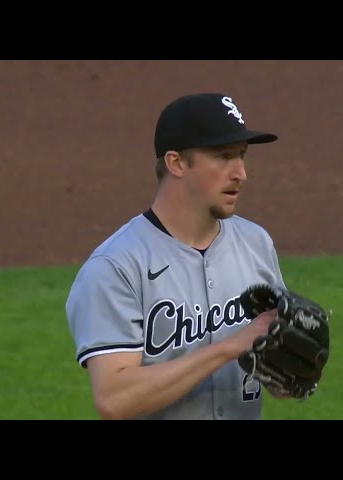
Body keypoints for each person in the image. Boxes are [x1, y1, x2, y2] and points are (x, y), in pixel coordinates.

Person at [65, 92, 290, 420]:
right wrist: (230, 347)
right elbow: (114, 399)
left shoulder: (256, 243)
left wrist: (293, 365)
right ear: (176, 163)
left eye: (242, 156)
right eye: (223, 156)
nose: (241, 173)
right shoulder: (116, 266)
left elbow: (278, 380)